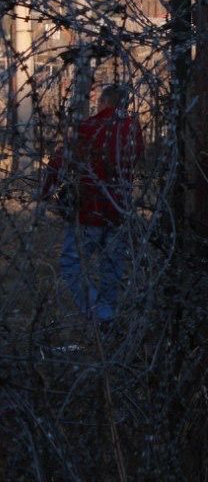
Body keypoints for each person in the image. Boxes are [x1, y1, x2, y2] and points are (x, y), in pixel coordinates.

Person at [43, 83, 144, 326]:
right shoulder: (132, 130)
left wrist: (46, 190)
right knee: (111, 265)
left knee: (71, 264)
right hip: (119, 208)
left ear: (104, 102)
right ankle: (108, 317)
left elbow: (60, 160)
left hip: (89, 208)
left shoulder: (89, 127)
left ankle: (101, 314)